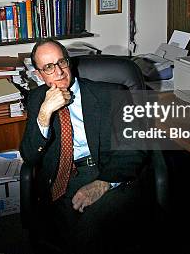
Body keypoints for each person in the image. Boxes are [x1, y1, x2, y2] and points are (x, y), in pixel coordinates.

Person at [20, 39, 147, 254]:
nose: (59, 72)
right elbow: (30, 156)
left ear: (69, 62)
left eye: (62, 62)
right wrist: (44, 114)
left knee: (88, 236)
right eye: (49, 67)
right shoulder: (35, 99)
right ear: (39, 74)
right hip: (61, 176)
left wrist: (104, 182)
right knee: (60, 235)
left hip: (107, 171)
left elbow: (135, 146)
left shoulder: (112, 93)